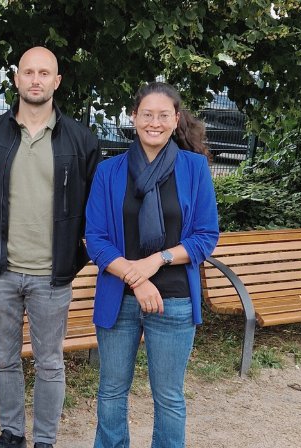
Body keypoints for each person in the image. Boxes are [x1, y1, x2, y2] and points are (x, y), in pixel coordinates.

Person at [0, 47, 99, 448]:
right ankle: (12, 434)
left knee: (50, 363)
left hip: (52, 275)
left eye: (44, 73)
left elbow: (94, 208)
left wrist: (77, 256)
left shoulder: (81, 140)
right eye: (29, 72)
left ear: (56, 81)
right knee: (5, 359)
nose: (36, 79)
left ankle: (45, 440)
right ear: (16, 79)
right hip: (0, 272)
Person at [84, 82, 219, 448]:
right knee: (111, 390)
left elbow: (206, 236)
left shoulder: (194, 169)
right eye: (147, 114)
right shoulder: (109, 171)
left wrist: (156, 260)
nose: (154, 123)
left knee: (169, 397)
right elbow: (96, 239)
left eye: (163, 115)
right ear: (133, 117)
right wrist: (137, 279)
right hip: (119, 297)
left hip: (174, 299)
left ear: (175, 119)